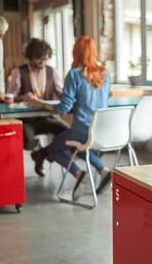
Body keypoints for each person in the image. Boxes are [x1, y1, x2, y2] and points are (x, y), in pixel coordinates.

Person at [28, 37, 112, 199]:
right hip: (100, 129)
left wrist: (40, 103)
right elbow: (106, 97)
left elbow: (64, 107)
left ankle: (79, 173)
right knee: (76, 147)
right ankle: (104, 171)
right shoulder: (105, 74)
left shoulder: (74, 75)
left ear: (76, 53)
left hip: (82, 130)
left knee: (54, 149)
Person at [7, 38, 69, 167]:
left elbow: (61, 93)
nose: (43, 62)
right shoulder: (19, 72)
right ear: (31, 57)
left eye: (46, 59)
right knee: (28, 140)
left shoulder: (52, 71)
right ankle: (38, 150)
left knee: (66, 132)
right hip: (27, 119)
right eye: (40, 59)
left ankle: (43, 153)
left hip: (47, 116)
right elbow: (12, 96)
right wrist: (22, 97)